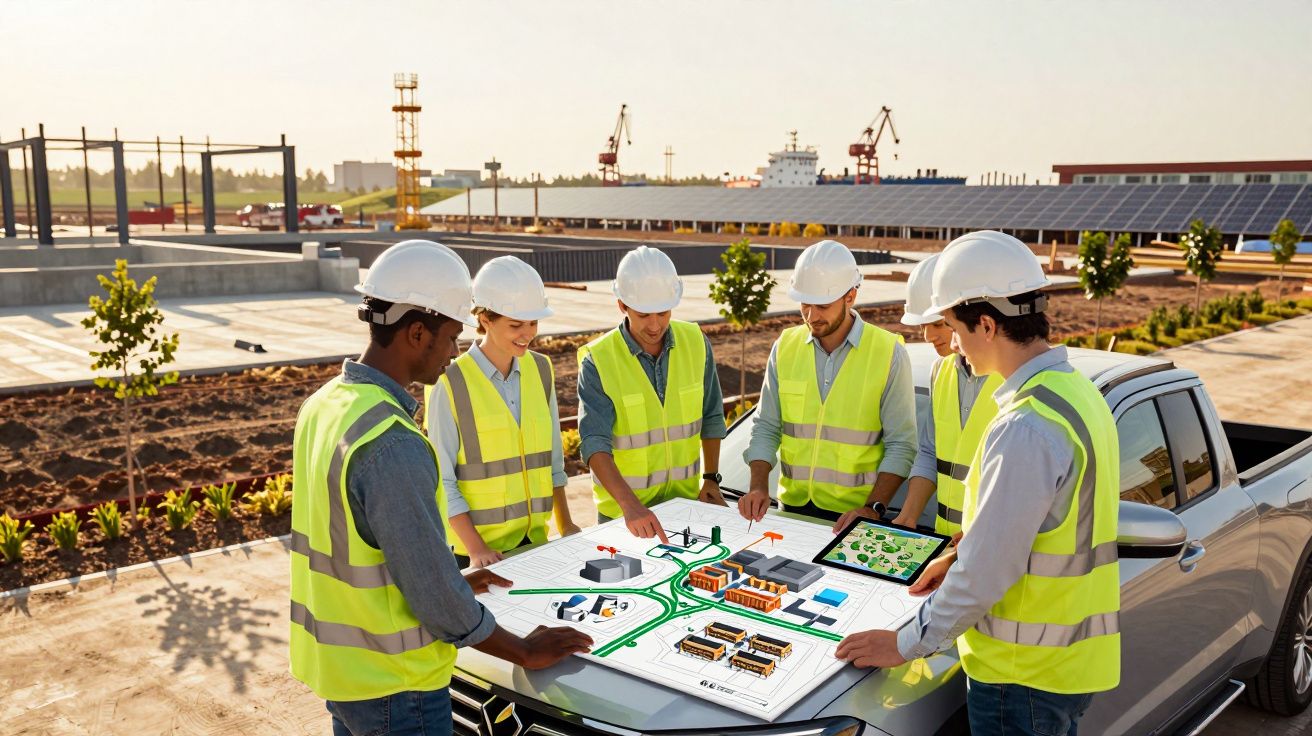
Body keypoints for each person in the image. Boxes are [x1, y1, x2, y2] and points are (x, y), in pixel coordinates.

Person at [289, 240, 592, 736]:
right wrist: (524, 650)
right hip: (395, 682)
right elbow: (433, 599)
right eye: (451, 336)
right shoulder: (391, 442)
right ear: (415, 332)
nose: (455, 352)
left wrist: (453, 583)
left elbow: (363, 552)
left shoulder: (324, 405)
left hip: (341, 673)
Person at [835, 231, 1121, 736]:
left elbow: (989, 573)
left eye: (953, 328)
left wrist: (902, 644)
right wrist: (961, 554)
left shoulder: (1024, 426)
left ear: (986, 324)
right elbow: (1045, 528)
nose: (955, 348)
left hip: (1021, 676)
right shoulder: (1075, 394)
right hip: (1068, 666)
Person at [737, 239, 917, 526]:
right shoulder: (785, 346)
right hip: (790, 510)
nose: (811, 316)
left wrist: (872, 508)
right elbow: (767, 426)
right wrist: (758, 485)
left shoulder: (888, 353)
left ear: (851, 296)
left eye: (822, 305)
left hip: (853, 518)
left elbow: (902, 444)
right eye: (805, 304)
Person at [426, 255, 580, 569]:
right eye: (515, 324)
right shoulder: (449, 382)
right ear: (485, 319)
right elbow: (443, 480)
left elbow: (552, 460)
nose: (528, 333)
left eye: (533, 322)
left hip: (535, 543)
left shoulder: (541, 369)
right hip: (475, 554)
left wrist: (566, 527)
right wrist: (476, 549)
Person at [576, 245, 728, 541]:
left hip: (685, 507)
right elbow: (594, 443)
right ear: (622, 305)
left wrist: (710, 478)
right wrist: (630, 506)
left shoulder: (696, 342)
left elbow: (711, 415)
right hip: (623, 516)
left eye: (663, 312)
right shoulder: (599, 360)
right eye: (644, 314)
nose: (655, 325)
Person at [895, 253, 1001, 535]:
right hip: (945, 541)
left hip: (991, 548)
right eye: (923, 326)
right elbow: (930, 452)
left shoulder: (1014, 379)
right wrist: (908, 516)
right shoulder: (940, 372)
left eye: (939, 324)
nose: (928, 336)